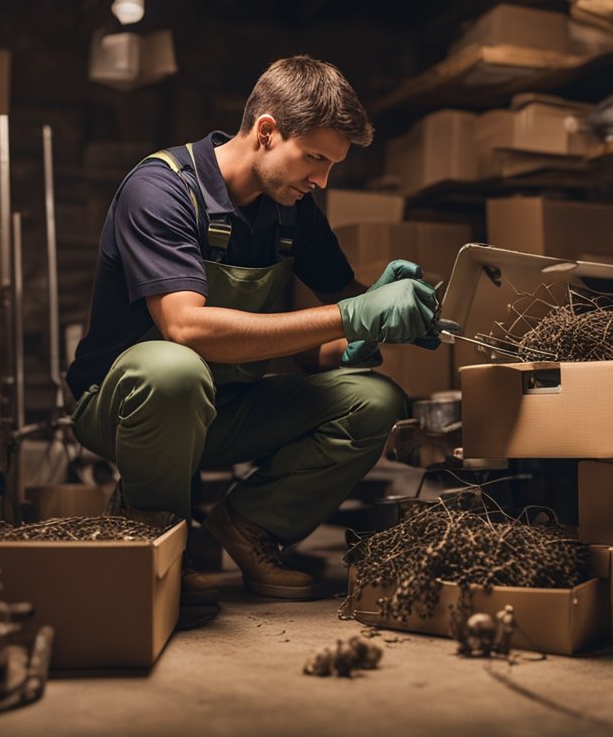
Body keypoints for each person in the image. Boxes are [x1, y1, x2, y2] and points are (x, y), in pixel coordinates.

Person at [66, 55, 440, 627]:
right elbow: (186, 329)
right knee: (173, 369)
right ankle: (154, 527)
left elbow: (311, 340)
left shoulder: (293, 210)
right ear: (266, 131)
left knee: (377, 400)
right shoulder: (162, 190)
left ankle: (251, 525)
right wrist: (349, 313)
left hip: (228, 406)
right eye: (315, 158)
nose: (321, 180)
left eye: (332, 166)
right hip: (128, 409)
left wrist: (362, 332)